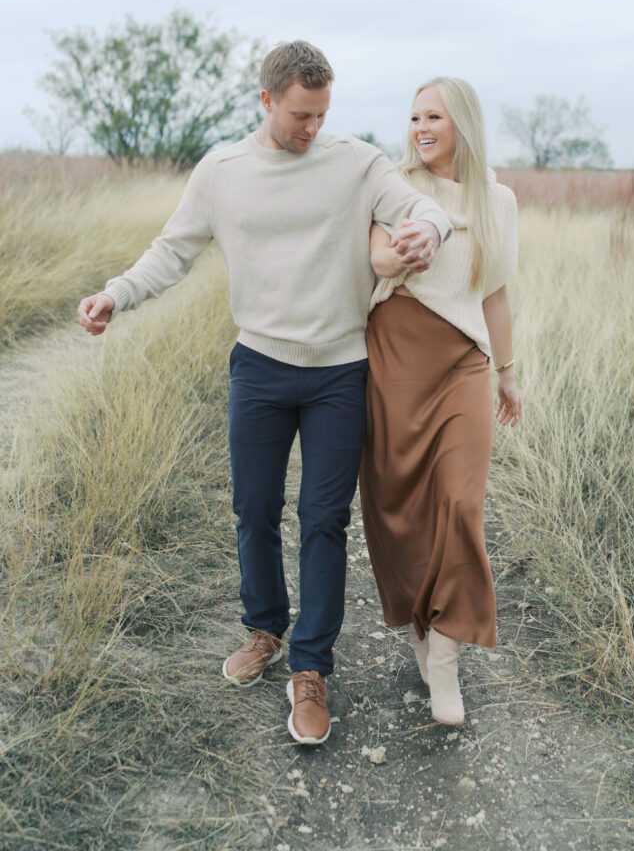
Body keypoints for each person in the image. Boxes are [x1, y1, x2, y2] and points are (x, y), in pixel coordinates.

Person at [77, 40, 453, 746]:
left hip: (340, 370)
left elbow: (422, 209)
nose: (311, 127)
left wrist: (425, 234)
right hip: (259, 365)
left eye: (321, 114)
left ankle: (310, 670)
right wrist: (115, 294)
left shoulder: (356, 161)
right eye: (300, 114)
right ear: (267, 101)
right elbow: (173, 250)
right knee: (253, 509)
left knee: (321, 519)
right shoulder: (222, 171)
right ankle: (264, 630)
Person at [359, 76, 521, 726]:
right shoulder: (392, 185)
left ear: (463, 125)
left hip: (462, 361)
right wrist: (403, 244)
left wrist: (507, 373)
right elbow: (373, 259)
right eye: (414, 116)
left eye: (434, 116)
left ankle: (447, 664)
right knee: (399, 509)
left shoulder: (498, 201)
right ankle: (422, 635)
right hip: (393, 355)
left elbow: (495, 293)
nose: (420, 127)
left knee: (459, 503)